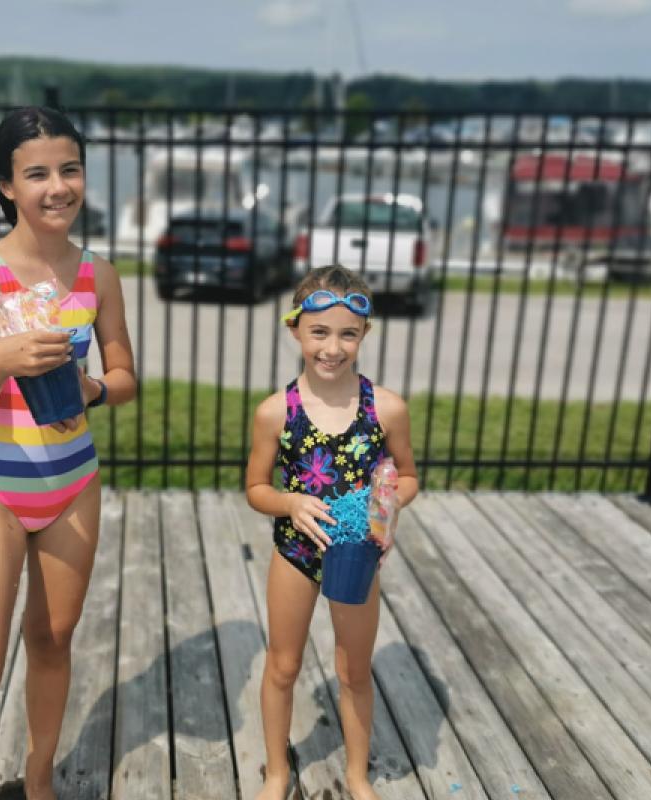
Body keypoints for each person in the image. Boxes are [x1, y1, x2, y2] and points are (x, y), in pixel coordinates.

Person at [0, 106, 136, 800]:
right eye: (36, 173)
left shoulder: (97, 275)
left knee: (52, 641)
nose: (57, 186)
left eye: (69, 169)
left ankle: (39, 780)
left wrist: (90, 388)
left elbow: (127, 377)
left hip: (73, 484)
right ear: (6, 185)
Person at [244, 265, 419, 800]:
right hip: (295, 553)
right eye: (319, 332)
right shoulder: (276, 412)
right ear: (295, 329)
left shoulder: (385, 408)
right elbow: (256, 488)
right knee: (283, 664)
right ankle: (277, 771)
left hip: (358, 554)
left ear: (365, 334)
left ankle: (358, 775)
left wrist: (385, 504)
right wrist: (291, 501)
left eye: (348, 333)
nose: (333, 347)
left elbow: (409, 476)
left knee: (354, 670)